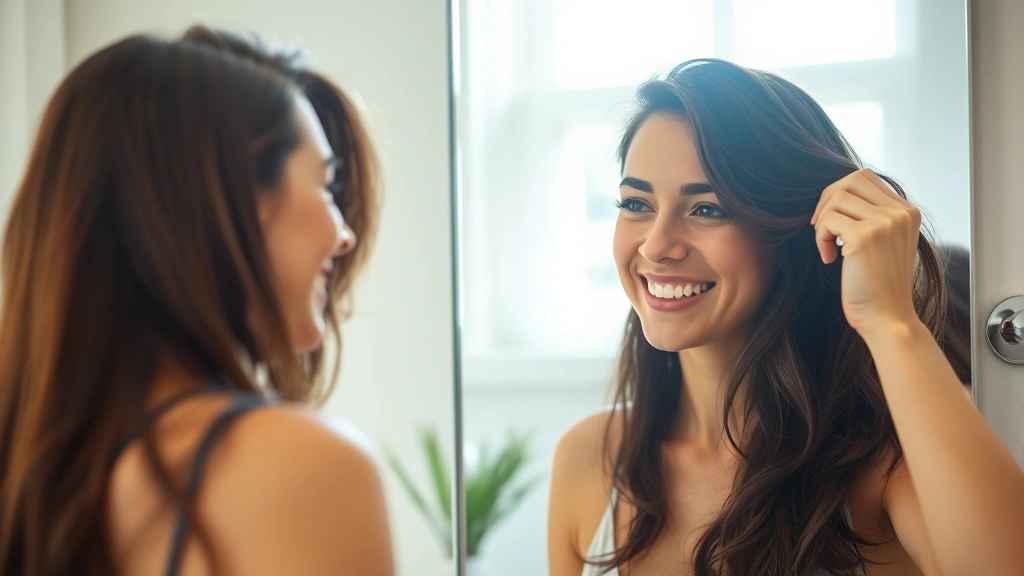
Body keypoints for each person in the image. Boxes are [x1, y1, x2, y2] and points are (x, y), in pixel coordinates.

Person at [548, 59, 1024, 576]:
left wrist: (892, 321)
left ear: (798, 231)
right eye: (635, 202)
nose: (657, 245)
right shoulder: (590, 458)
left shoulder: (878, 468)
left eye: (708, 209)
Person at [0, 30, 393, 576]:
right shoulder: (304, 469)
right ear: (227, 205)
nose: (344, 235)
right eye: (325, 186)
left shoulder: (37, 488)